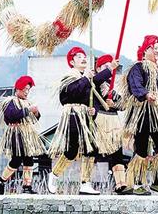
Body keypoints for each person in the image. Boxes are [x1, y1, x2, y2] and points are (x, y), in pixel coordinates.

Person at [47, 47, 116, 195]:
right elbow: (72, 92)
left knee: (91, 147)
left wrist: (94, 110)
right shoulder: (69, 76)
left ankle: (85, 183)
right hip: (73, 114)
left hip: (85, 116)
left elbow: (93, 94)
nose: (83, 58)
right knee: (72, 150)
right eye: (79, 57)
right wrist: (87, 78)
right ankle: (54, 174)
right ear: (72, 62)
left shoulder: (86, 77)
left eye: (84, 56)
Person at [121, 35, 158, 196]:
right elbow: (135, 84)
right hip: (142, 111)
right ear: (145, 50)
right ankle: (138, 184)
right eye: (154, 47)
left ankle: (157, 182)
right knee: (141, 148)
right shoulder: (138, 67)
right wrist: (145, 94)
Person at [0, 75, 45, 195]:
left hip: (28, 133)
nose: (27, 92)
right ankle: (2, 180)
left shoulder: (28, 102)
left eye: (28, 89)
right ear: (18, 89)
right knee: (16, 160)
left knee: (29, 159)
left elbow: (34, 119)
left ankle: (27, 186)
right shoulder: (10, 101)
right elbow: (11, 116)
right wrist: (28, 110)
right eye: (24, 89)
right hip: (15, 133)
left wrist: (36, 113)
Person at [91, 54, 131, 195]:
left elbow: (123, 105)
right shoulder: (93, 81)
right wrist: (109, 69)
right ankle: (85, 182)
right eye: (105, 66)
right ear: (98, 68)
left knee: (117, 152)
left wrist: (114, 104)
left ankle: (121, 184)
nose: (110, 68)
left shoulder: (112, 86)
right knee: (93, 152)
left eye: (110, 66)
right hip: (99, 121)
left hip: (113, 122)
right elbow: (96, 80)